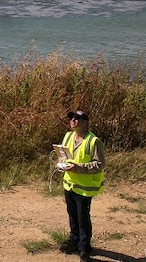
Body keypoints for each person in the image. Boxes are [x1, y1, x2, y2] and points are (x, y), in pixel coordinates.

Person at [58, 109, 105, 262]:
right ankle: (74, 240)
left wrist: (77, 168)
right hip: (70, 184)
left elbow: (99, 164)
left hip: (84, 188)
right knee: (72, 215)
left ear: (85, 122)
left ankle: (84, 247)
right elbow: (65, 156)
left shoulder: (93, 141)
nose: (73, 120)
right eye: (71, 117)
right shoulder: (68, 136)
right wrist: (61, 165)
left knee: (82, 217)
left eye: (77, 118)